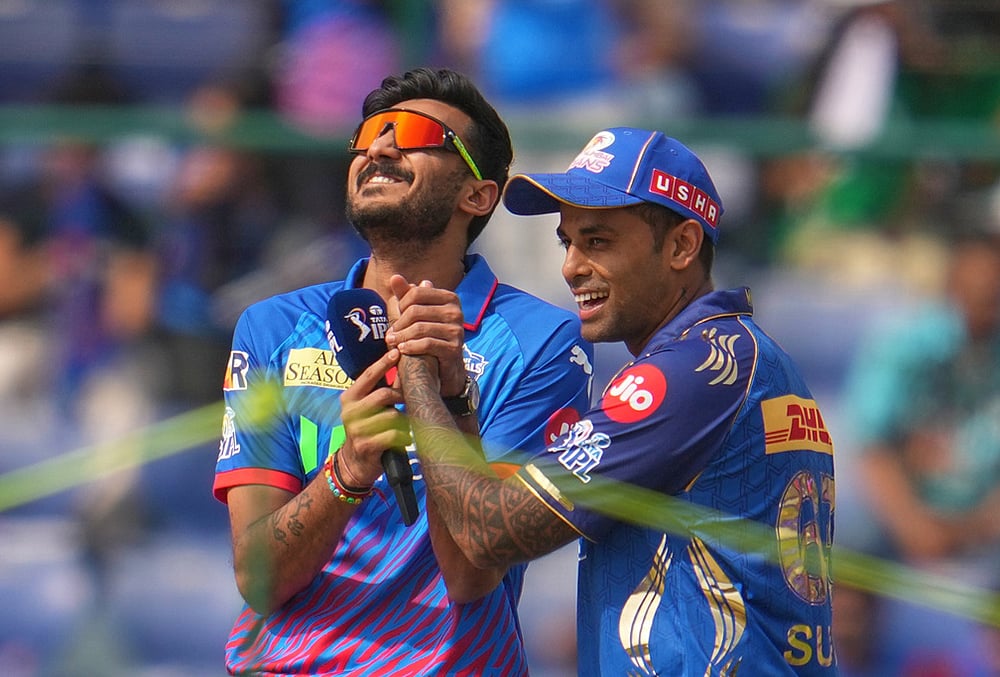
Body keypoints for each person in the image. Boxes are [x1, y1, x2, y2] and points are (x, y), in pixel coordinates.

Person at [370, 127, 836, 674]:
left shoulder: (688, 374)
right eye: (567, 242)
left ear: (683, 245)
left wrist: (418, 370)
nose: (570, 267)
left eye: (598, 241)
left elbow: (487, 535)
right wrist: (455, 397)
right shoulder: (745, 357)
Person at [211, 67, 594, 675]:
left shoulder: (541, 340)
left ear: (478, 195)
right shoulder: (272, 327)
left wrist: (446, 396)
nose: (380, 148)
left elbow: (473, 572)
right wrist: (350, 469)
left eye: (413, 133)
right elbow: (257, 579)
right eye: (366, 138)